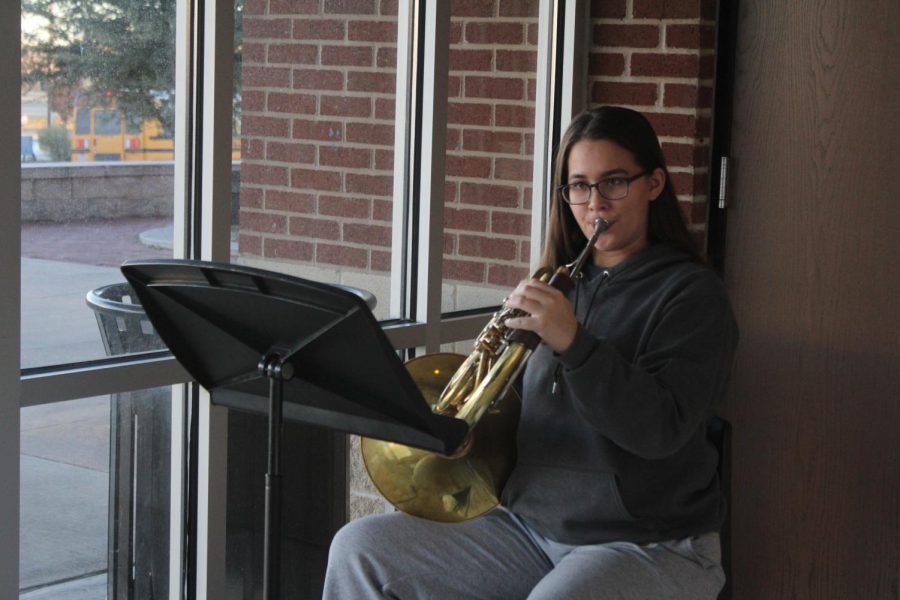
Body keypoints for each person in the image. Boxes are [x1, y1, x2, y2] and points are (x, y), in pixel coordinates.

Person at [323, 106, 738, 599]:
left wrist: (575, 344)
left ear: (653, 184)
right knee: (361, 548)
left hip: (649, 540)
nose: (594, 204)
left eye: (613, 183)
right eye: (579, 186)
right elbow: (516, 417)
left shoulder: (692, 296)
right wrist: (466, 433)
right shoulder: (557, 284)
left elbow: (661, 428)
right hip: (531, 529)